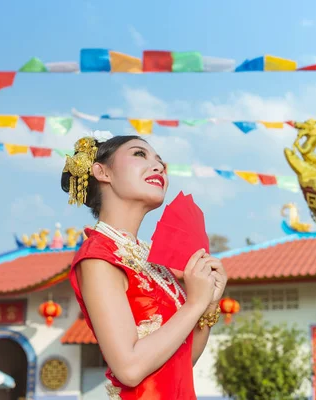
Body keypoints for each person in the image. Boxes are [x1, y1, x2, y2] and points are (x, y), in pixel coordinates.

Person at [61, 131, 227, 399]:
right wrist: (194, 304)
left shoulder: (154, 262)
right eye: (140, 154)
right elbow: (129, 368)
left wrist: (208, 305)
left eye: (161, 161)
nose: (159, 166)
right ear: (103, 173)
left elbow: (182, 361)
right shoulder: (98, 255)